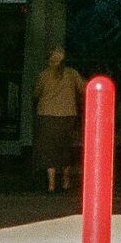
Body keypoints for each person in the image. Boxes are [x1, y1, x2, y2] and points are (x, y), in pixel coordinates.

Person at [31, 47, 83, 193]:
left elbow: (35, 93)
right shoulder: (72, 74)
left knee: (48, 149)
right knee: (65, 147)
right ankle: (66, 181)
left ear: (49, 60)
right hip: (67, 115)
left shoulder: (44, 75)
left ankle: (51, 184)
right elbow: (83, 89)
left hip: (46, 115)